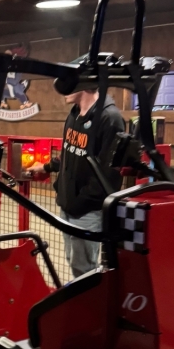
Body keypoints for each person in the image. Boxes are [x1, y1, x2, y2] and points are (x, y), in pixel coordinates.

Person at [53, 85, 124, 278]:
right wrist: (49, 171)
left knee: (86, 270)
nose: (62, 88)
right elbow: (69, 154)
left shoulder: (109, 118)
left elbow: (109, 173)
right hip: (67, 205)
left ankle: (91, 306)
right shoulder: (74, 114)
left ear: (85, 84)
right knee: (74, 262)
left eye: (69, 83)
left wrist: (80, 202)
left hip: (87, 210)